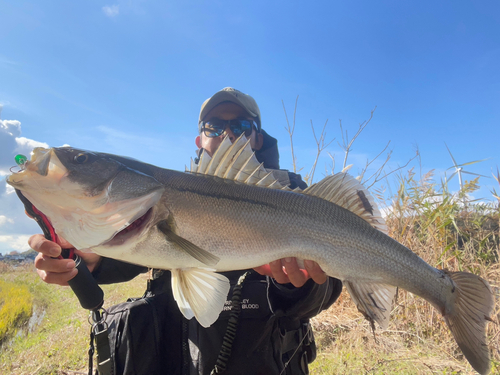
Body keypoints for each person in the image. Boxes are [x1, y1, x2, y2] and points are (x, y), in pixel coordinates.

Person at [30, 87, 343, 375]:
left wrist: (296, 287)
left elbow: (323, 293)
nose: (228, 134)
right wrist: (86, 260)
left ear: (258, 138)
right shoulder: (166, 194)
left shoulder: (296, 196)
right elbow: (142, 246)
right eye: (214, 126)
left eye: (242, 126)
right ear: (200, 139)